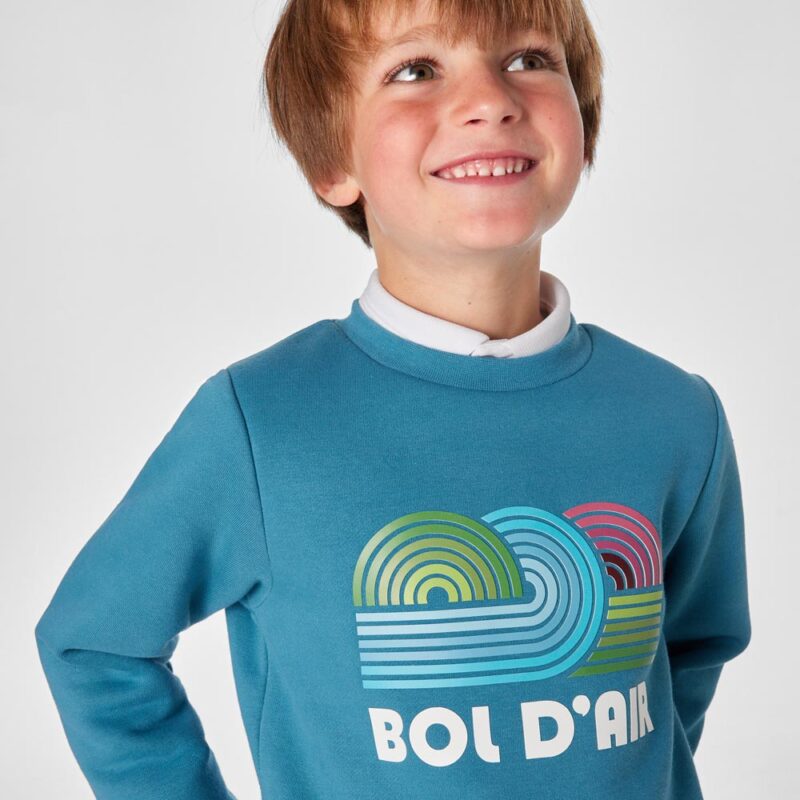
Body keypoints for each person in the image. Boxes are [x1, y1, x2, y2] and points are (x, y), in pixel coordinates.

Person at [34, 0, 752, 798]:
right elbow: (94, 642)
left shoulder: (675, 415)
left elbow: (686, 656)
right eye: (416, 69)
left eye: (529, 60)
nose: (490, 100)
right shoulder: (261, 424)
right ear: (332, 165)